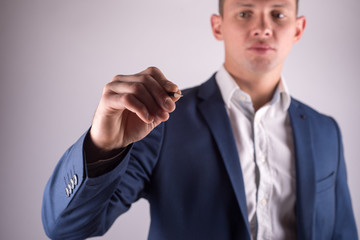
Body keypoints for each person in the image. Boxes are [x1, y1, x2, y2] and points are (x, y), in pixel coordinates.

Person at [42, 0, 358, 239]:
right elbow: (66, 228)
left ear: (298, 28)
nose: (263, 28)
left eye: (278, 14)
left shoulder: (325, 130)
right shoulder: (160, 119)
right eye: (245, 13)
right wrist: (102, 146)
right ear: (217, 25)